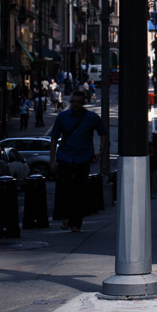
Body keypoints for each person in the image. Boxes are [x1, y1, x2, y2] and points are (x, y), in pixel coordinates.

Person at [48, 91, 107, 232]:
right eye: (73, 101)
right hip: (65, 156)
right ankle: (66, 217)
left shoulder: (91, 117)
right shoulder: (62, 117)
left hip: (83, 157)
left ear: (83, 103)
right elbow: (54, 138)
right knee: (64, 189)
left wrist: (101, 151)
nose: (75, 105)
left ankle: (76, 222)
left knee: (80, 191)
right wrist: (52, 160)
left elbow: (103, 132)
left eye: (78, 102)